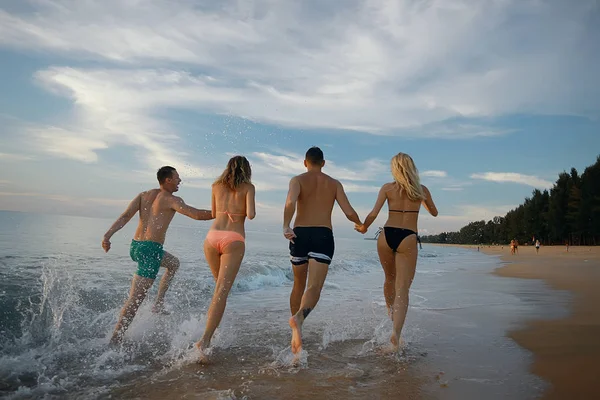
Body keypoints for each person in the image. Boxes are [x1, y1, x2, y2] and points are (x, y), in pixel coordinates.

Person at [102, 166, 213, 345]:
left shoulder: (143, 195)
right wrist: (222, 213)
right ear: (167, 180)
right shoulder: (171, 199)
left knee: (173, 264)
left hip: (136, 246)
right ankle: (116, 339)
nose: (179, 181)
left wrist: (107, 236)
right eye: (177, 178)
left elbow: (124, 217)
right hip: (151, 250)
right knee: (135, 301)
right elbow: (197, 215)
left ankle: (158, 303)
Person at [283, 146, 362, 356]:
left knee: (298, 283)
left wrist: (286, 225)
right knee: (314, 287)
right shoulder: (334, 184)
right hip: (322, 235)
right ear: (324, 163)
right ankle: (299, 319)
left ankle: (296, 329)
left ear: (305, 162)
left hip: (299, 234)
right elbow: (348, 211)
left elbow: (291, 202)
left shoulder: (297, 180)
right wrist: (361, 224)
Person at [355, 152, 438, 353]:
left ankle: (391, 311)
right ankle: (396, 336)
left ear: (394, 169)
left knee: (389, 279)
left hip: (386, 234)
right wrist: (422, 199)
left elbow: (374, 213)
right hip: (408, 236)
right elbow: (434, 212)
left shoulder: (387, 188)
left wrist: (364, 227)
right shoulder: (421, 190)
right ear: (412, 168)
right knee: (403, 288)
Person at [194, 156, 256, 362]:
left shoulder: (215, 186)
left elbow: (213, 212)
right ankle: (205, 340)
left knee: (219, 290)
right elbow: (252, 214)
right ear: (246, 170)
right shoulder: (248, 187)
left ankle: (213, 331)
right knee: (221, 292)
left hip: (211, 238)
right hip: (233, 238)